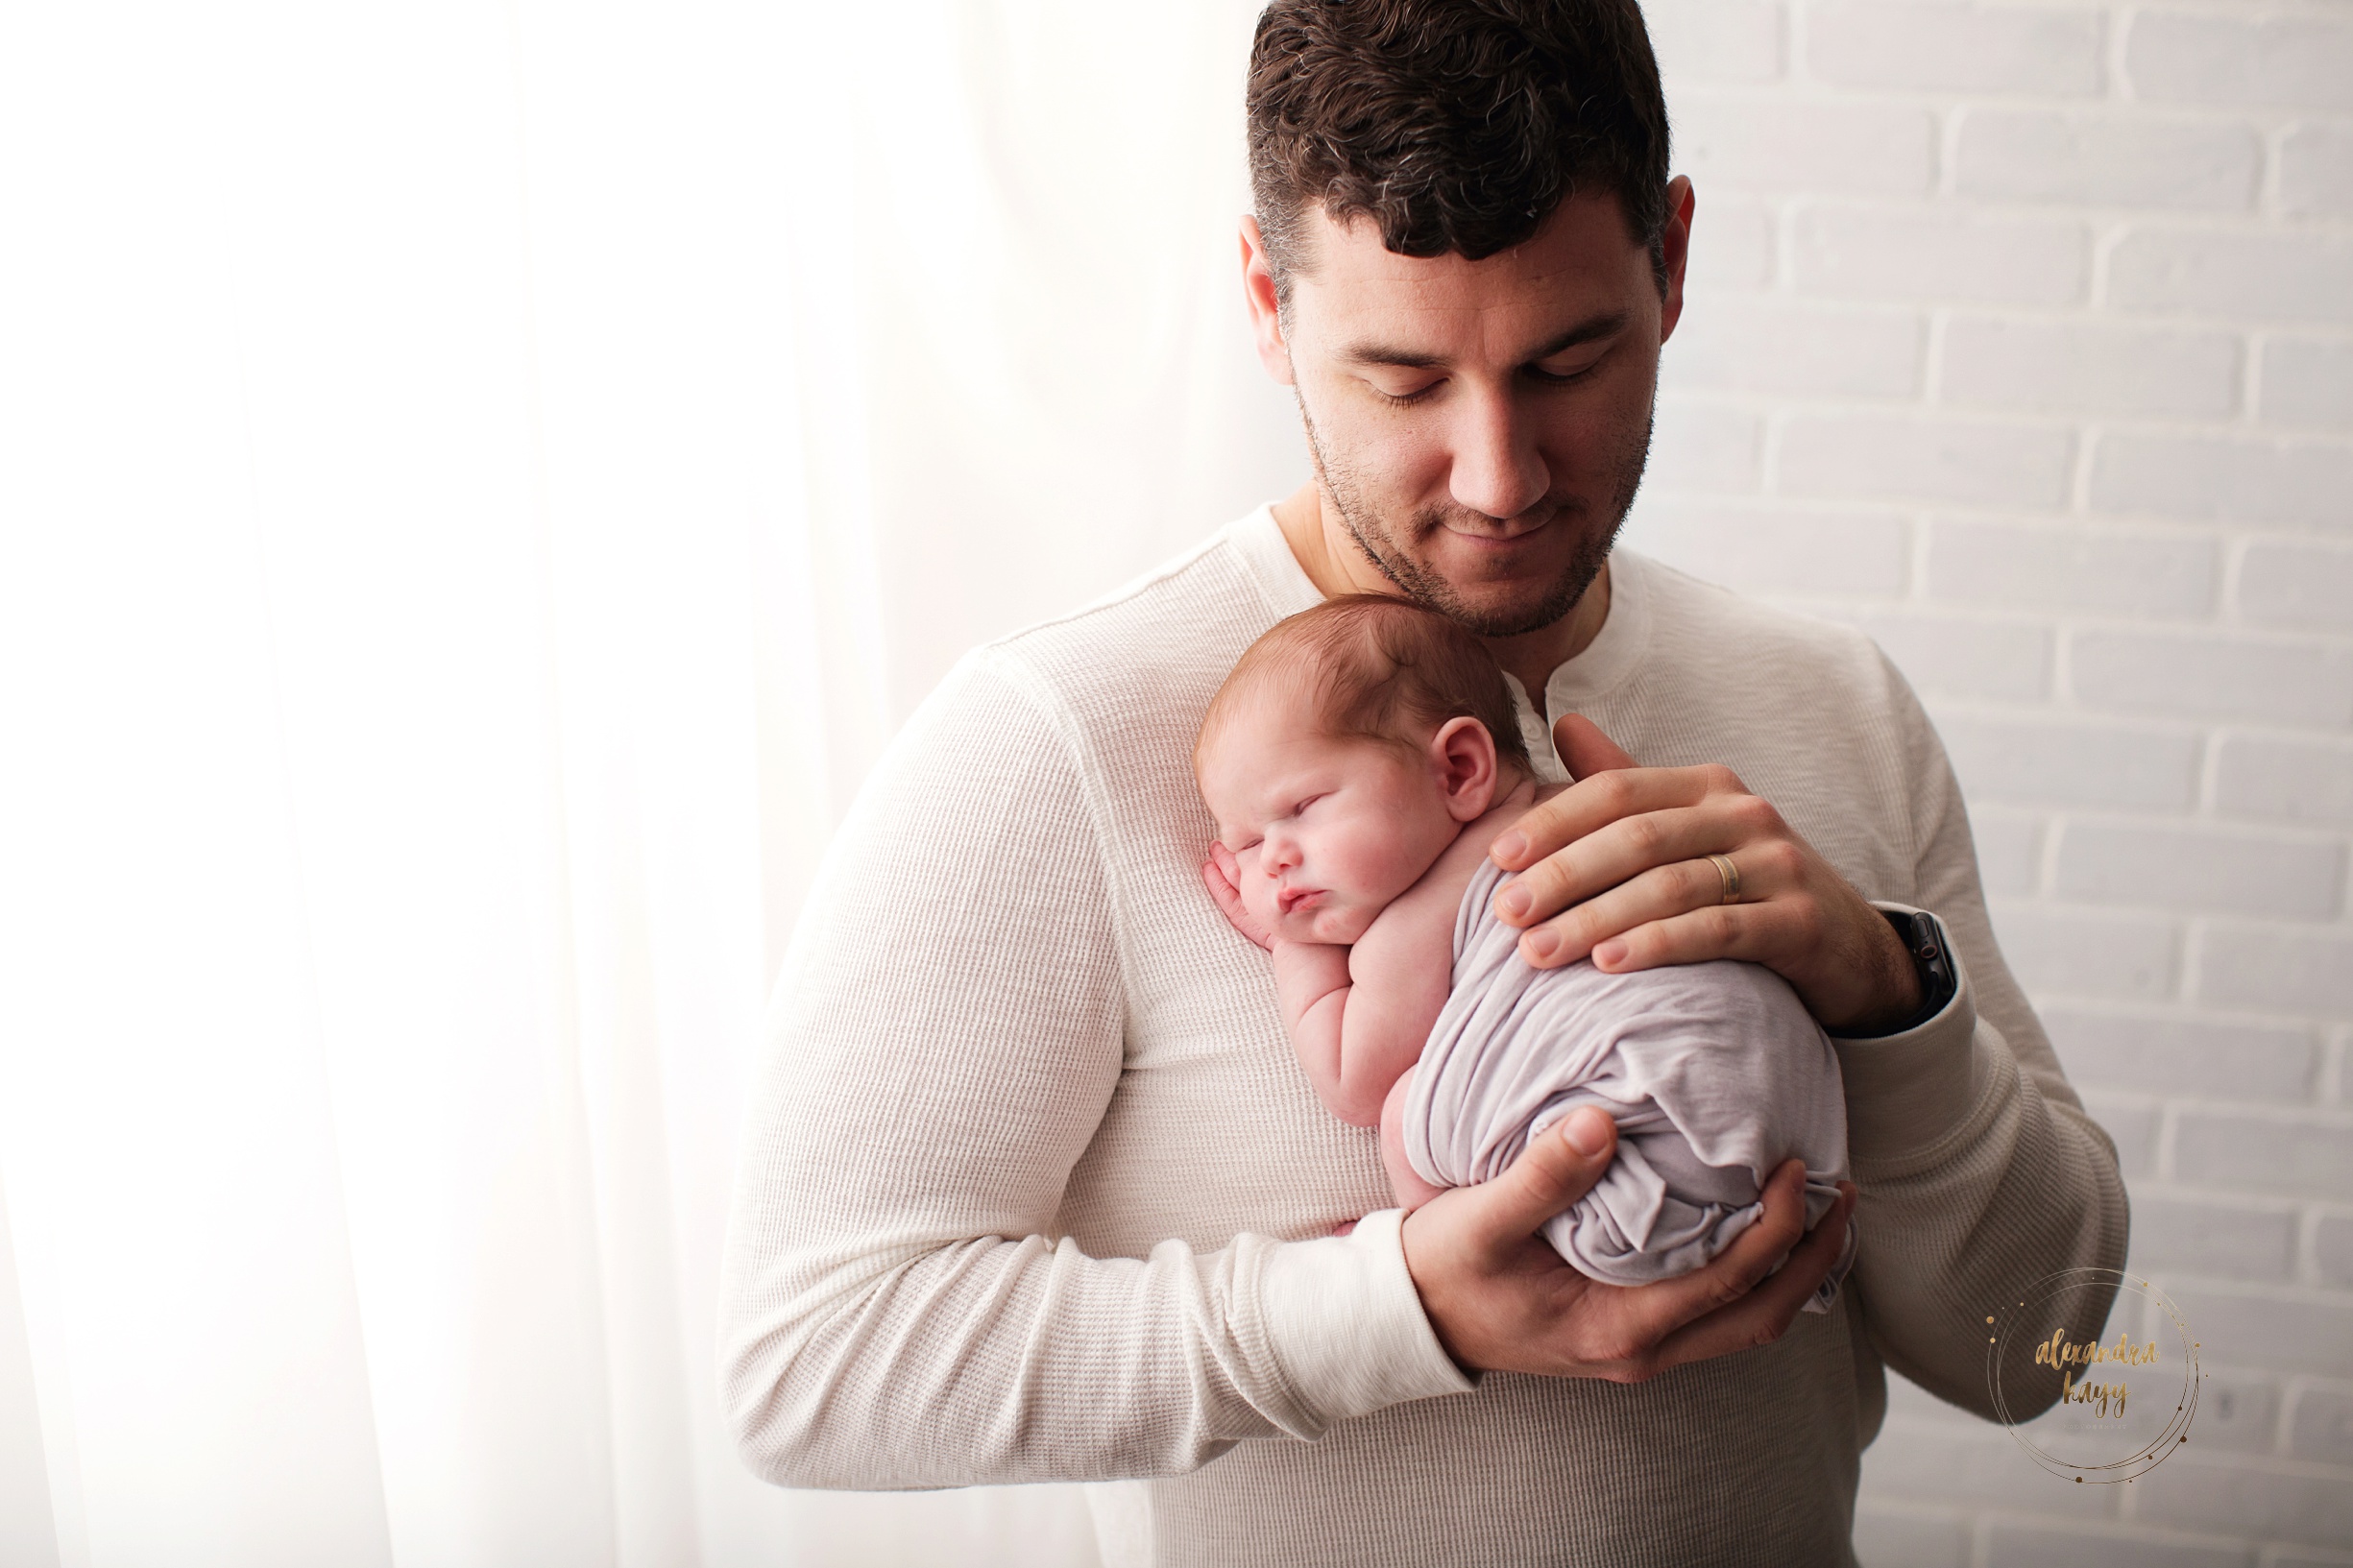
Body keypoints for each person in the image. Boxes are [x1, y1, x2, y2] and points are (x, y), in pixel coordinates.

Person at [719, 2, 2128, 1561]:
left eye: (1569, 358)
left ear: (1671, 258)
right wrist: (1399, 1308)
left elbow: (2044, 1354)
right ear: (1266, 300)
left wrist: (1881, 988)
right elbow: (812, 1363)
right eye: (1401, 380)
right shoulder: (1063, 739)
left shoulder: (1830, 702)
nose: (1499, 476)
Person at [1192, 594, 1855, 1303]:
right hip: (1797, 1149)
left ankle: (1441, 1238)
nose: (1274, 862)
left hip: (1633, 1187)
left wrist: (1289, 945)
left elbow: (1352, 1081)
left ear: (1457, 770)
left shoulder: (1409, 926)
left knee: (1404, 1107)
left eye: (1303, 808)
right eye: (1249, 842)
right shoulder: (1596, 815)